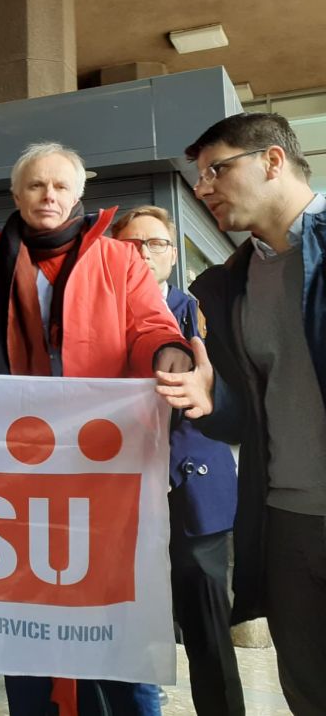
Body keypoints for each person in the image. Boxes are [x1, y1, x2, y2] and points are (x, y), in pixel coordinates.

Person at [0, 142, 190, 716]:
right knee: (25, 610)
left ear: (81, 196)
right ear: (16, 195)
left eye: (61, 186)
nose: (49, 197)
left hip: (100, 465)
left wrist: (168, 351)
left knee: (112, 610)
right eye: (36, 186)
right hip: (15, 471)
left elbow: (148, 325)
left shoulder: (118, 259)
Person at [156, 113, 326, 713]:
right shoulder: (225, 287)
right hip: (284, 521)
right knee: (308, 688)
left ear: (272, 162)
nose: (203, 188)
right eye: (199, 176)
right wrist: (209, 401)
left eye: (215, 171)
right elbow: (242, 417)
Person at [111, 206, 244, 716]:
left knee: (209, 635)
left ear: (172, 255)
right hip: (120, 497)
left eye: (157, 244)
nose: (144, 253)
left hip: (194, 495)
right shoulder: (97, 320)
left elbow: (236, 396)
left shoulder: (200, 310)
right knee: (127, 633)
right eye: (132, 244)